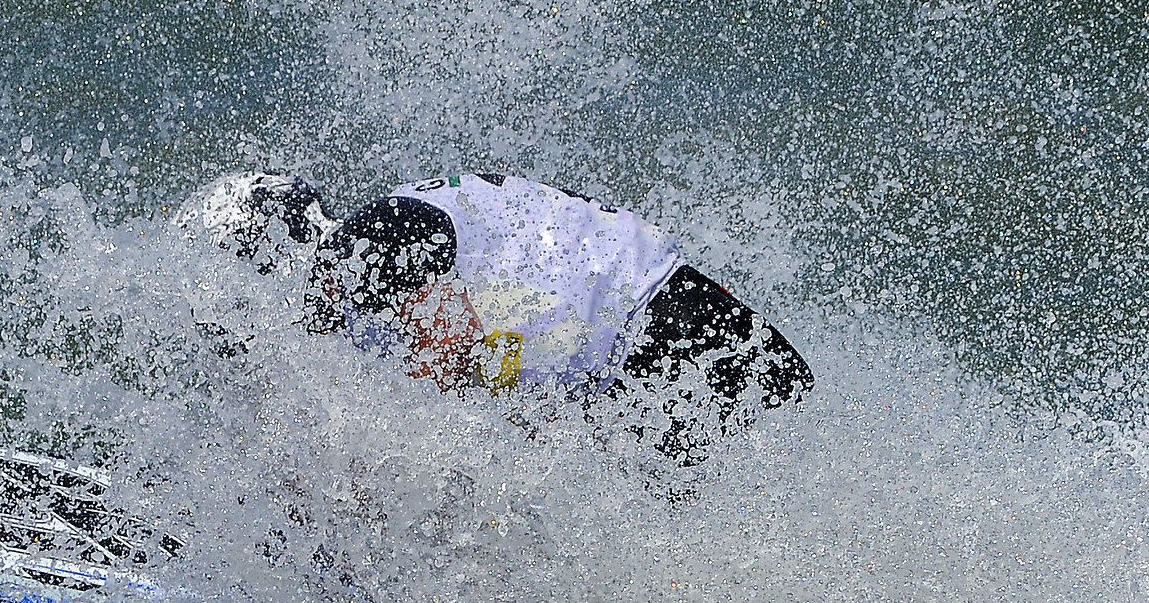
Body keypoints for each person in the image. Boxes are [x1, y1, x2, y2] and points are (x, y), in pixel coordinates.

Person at [176, 171, 813, 463]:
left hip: (670, 342)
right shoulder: (369, 255)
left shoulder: (364, 243)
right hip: (671, 335)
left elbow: (456, 360)